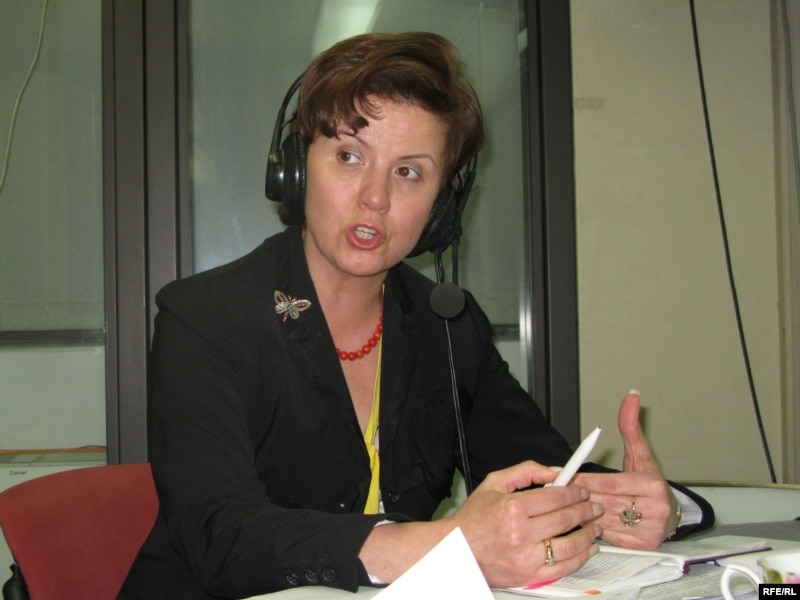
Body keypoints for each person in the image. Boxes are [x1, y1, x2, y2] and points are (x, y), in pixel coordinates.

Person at [119, 31, 713, 599]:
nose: (375, 198)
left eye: (408, 172)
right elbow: (220, 533)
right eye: (349, 156)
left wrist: (630, 508)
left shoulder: (446, 325)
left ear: (442, 205)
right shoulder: (205, 317)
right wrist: (443, 545)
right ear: (297, 169)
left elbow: (544, 476)